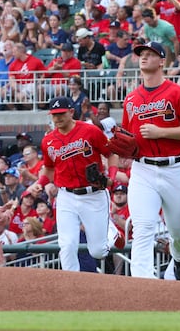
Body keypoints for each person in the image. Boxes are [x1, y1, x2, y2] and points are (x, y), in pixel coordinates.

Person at [120, 41, 180, 280]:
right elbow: (128, 137)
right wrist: (123, 150)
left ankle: (179, 257)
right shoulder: (131, 99)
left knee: (178, 232)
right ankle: (143, 284)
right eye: (141, 54)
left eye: (149, 54)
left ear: (162, 61)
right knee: (143, 227)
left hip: (174, 167)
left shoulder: (178, 93)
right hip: (143, 169)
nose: (144, 58)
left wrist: (162, 132)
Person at [41, 96, 122, 272]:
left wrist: (113, 175)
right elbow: (48, 168)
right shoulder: (48, 141)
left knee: (98, 251)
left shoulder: (90, 131)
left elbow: (112, 153)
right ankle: (71, 286)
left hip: (93, 194)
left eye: (61, 113)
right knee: (67, 245)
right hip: (66, 196)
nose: (57, 118)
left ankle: (112, 232)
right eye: (54, 115)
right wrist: (39, 183)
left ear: (71, 112)